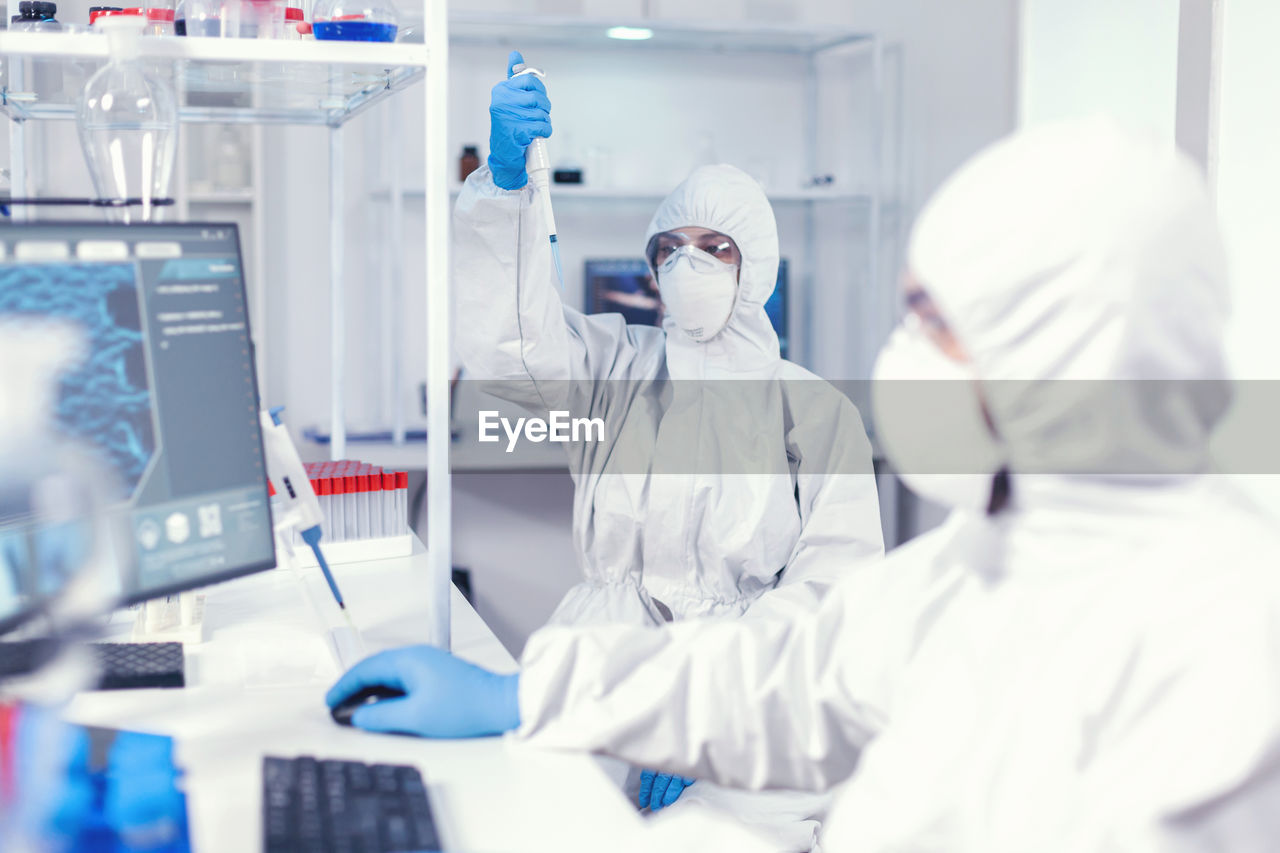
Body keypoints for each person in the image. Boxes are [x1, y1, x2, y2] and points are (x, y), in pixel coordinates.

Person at [330, 117, 1280, 851]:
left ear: (1065, 350)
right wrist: (530, 696)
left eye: (934, 322)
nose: (907, 355)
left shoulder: (1220, 642)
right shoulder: (991, 560)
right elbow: (792, 672)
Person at [438, 50, 884, 847]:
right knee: (528, 819)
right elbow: (513, 349)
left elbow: (830, 603)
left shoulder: (816, 413)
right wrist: (509, 191)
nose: (685, 264)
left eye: (713, 246)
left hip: (749, 712)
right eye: (668, 248)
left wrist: (697, 713)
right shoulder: (616, 367)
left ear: (757, 267)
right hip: (602, 657)